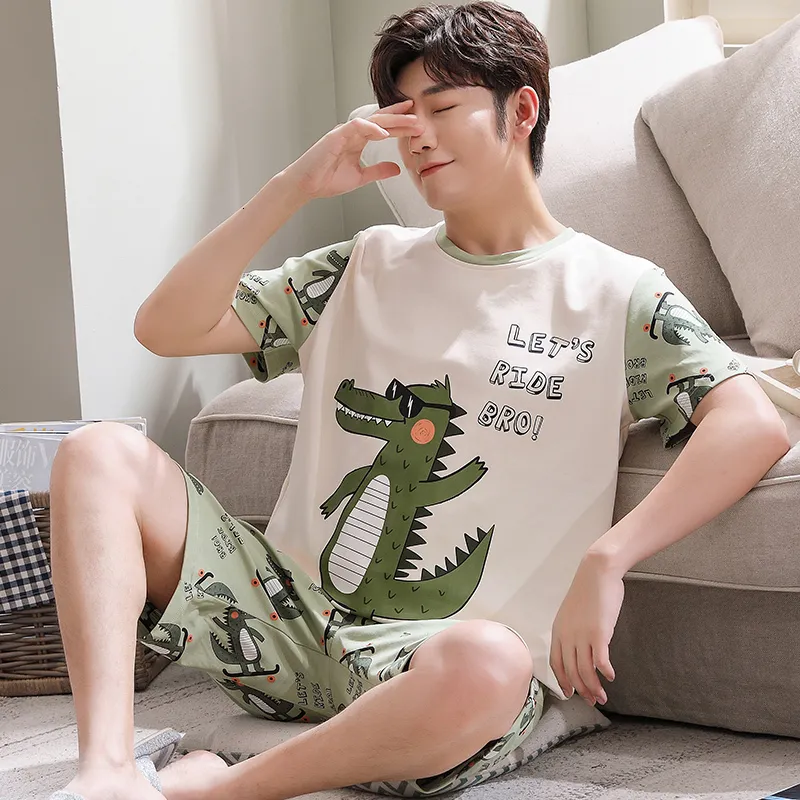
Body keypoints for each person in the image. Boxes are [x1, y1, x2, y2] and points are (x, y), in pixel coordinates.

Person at [48, 2, 789, 800]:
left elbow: (749, 424)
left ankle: (207, 791)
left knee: (492, 661)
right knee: (96, 452)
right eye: (404, 117)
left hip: (446, 667)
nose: (420, 137)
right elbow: (165, 327)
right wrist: (294, 187)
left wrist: (608, 559)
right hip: (284, 629)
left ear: (522, 110)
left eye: (443, 108)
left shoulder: (618, 293)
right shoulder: (360, 266)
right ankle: (106, 771)